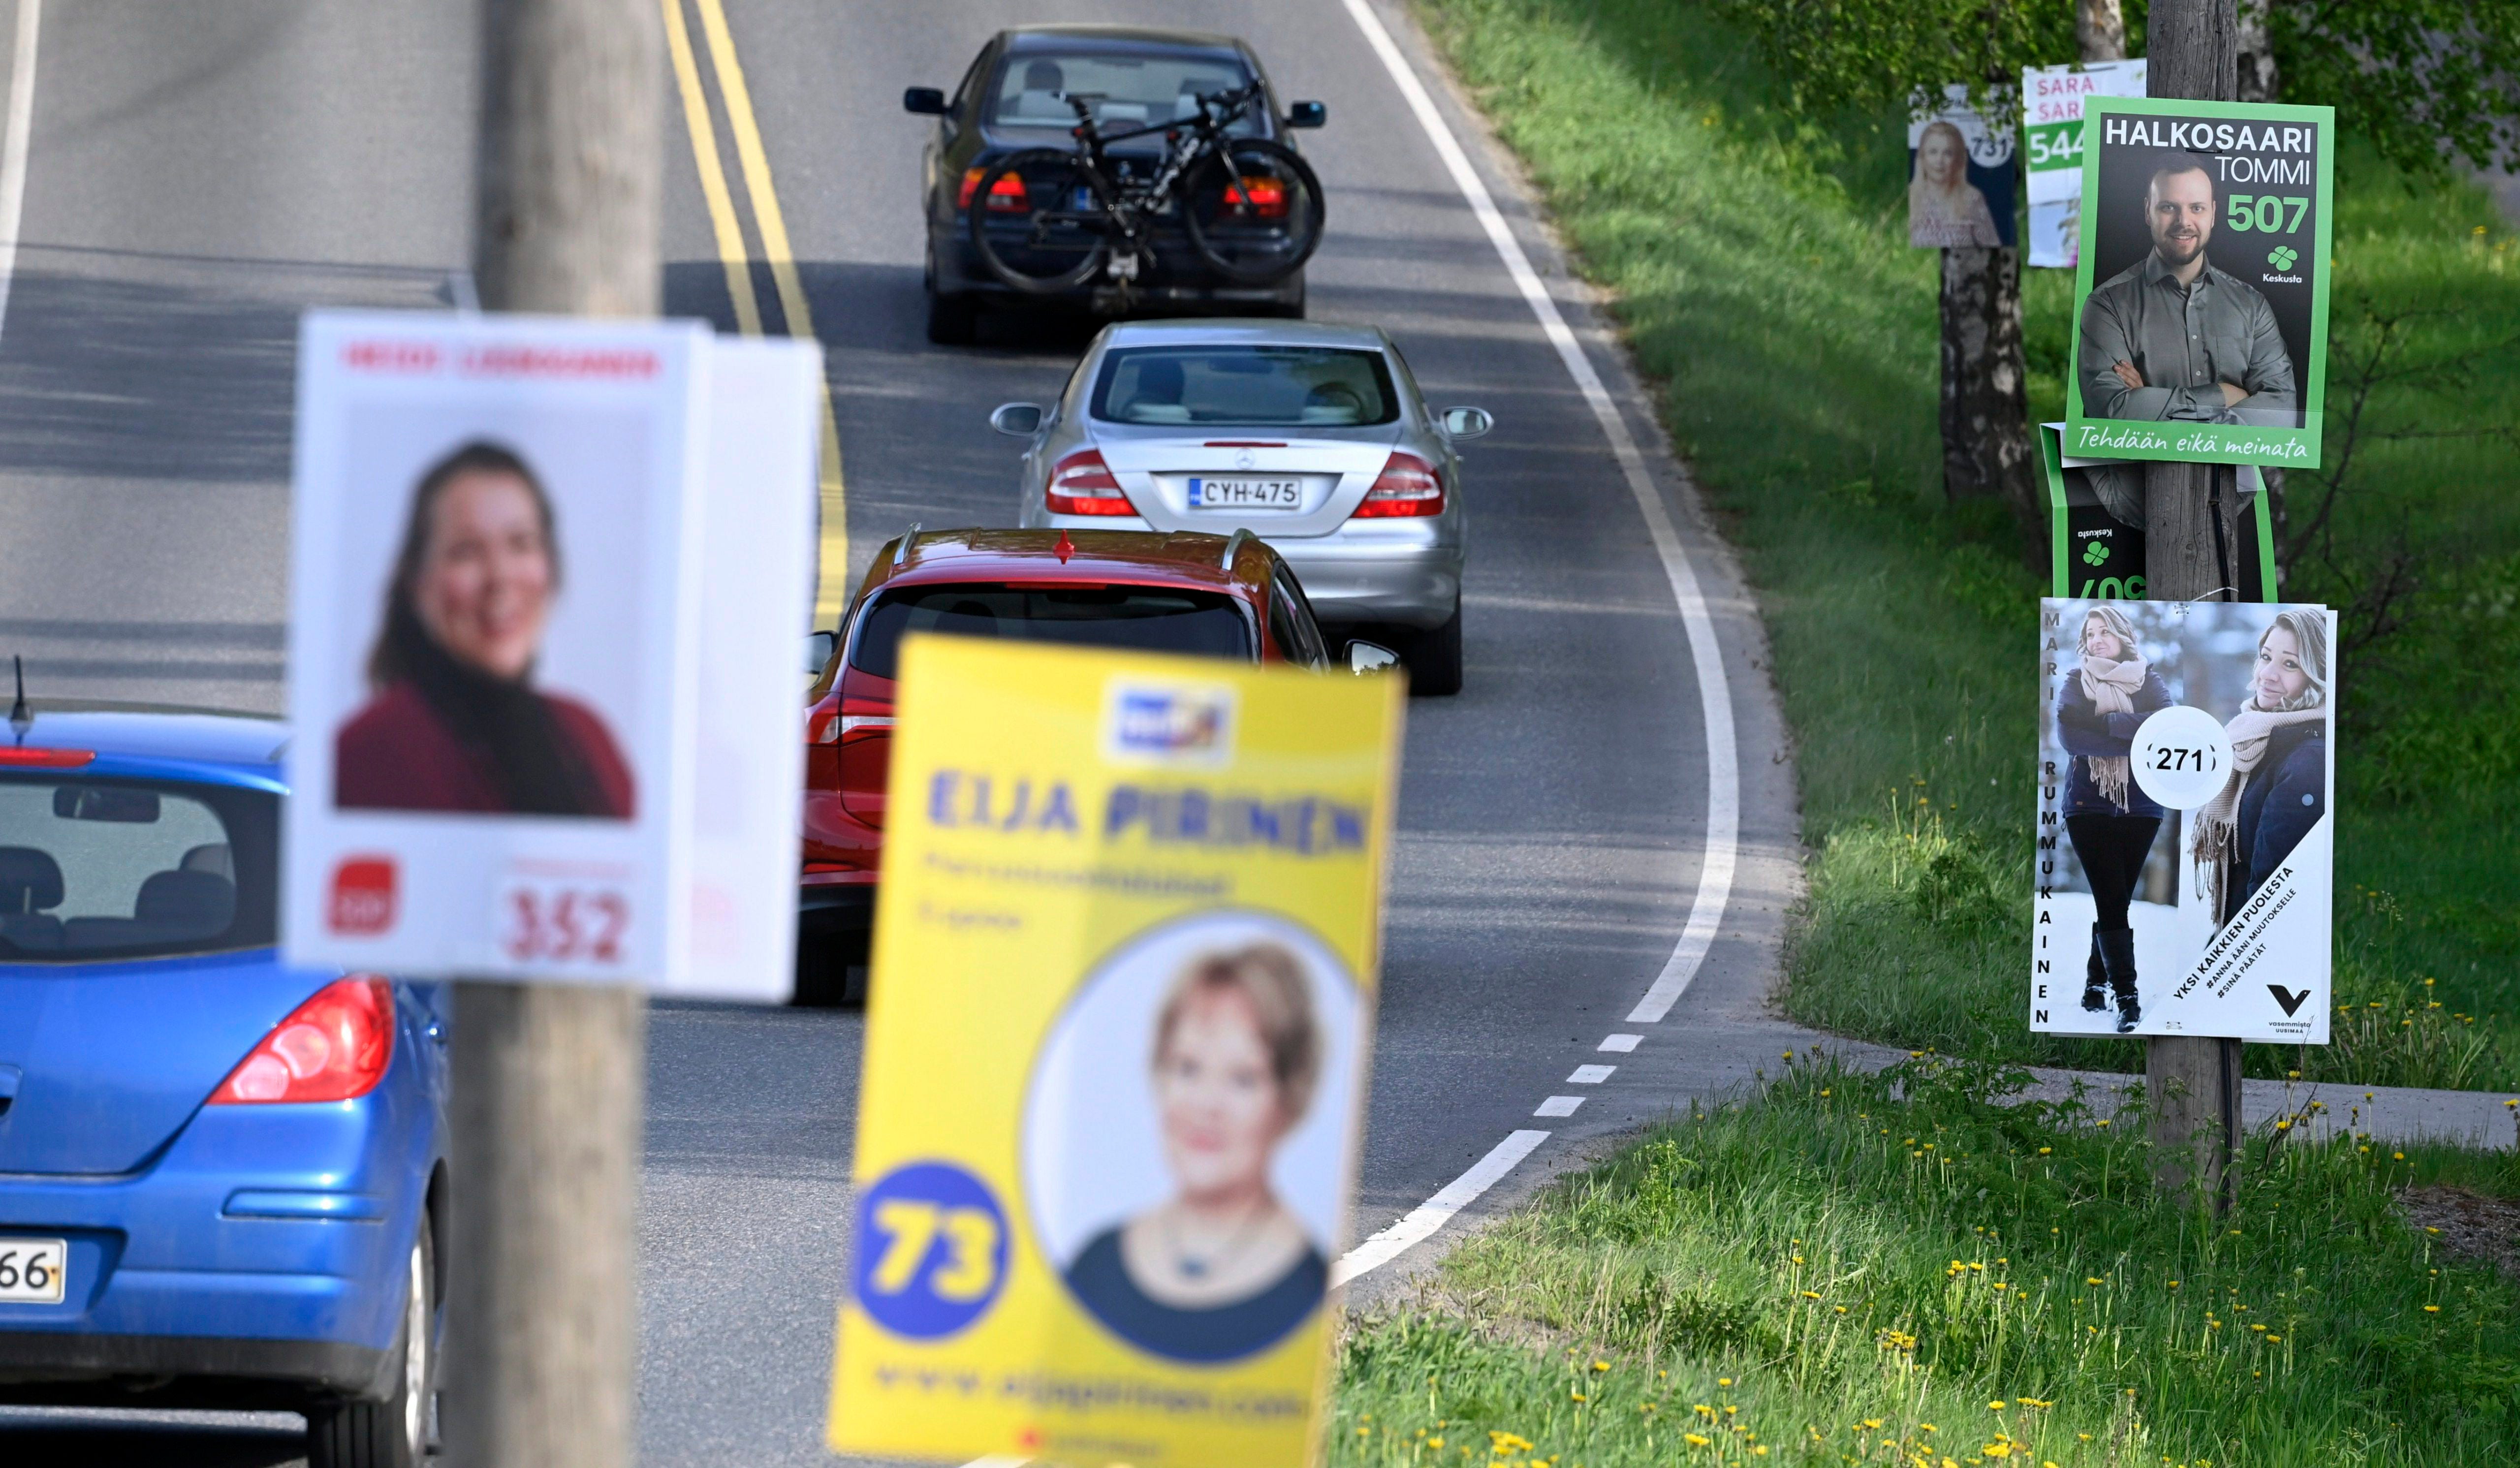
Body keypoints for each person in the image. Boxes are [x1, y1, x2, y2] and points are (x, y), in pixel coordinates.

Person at [335, 440, 634, 819]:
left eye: (521, 544)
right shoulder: (367, 753)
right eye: (466, 551)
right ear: (416, 580)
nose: (499, 578)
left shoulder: (588, 737)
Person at [1063, 944, 1328, 1362]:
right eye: (1187, 1067)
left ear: (1289, 1098)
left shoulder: (1311, 1288)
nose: (1207, 1104)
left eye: (1243, 1079)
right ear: (1158, 1076)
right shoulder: (1093, 1266)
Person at [2077, 154, 2298, 428]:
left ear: (2214, 214)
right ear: (2148, 212)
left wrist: (2151, 403)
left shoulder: (2252, 305)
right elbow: (2112, 412)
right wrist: (2224, 396)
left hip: (2233, 472)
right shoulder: (2107, 304)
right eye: (2169, 207)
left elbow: (2281, 414)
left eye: (2197, 208)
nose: (2184, 221)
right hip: (2143, 473)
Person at [2054, 605, 2171, 1031]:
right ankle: (2127, 996)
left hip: (2142, 805)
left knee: (2115, 899)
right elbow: (2070, 736)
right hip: (2088, 805)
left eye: (2106, 631)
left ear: (2123, 636)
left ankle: (2094, 984)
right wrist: (2134, 735)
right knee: (2110, 897)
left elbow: (2166, 728)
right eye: (2091, 633)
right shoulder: (2074, 682)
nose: (2097, 639)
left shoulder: (2149, 680)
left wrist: (2107, 724)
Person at [2191, 610, 2328, 924]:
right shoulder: (2258, 740)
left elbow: (2271, 894)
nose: (2268, 674)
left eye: (2290, 664)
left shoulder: (2308, 760)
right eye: (2266, 657)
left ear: (2318, 676)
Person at [1908, 121, 2003, 248]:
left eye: (1948, 153)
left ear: (1958, 160)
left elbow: (1993, 248)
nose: (1939, 161)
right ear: (1922, 157)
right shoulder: (1910, 197)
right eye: (1933, 152)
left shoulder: (1972, 198)